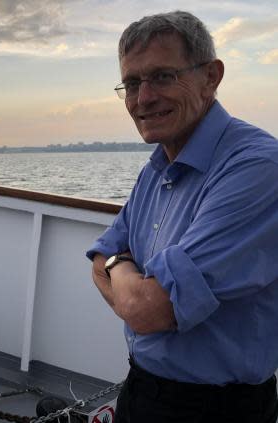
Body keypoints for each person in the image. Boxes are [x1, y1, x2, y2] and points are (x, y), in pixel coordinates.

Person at [86, 10, 278, 423]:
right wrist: (126, 274)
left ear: (211, 77)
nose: (143, 98)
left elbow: (149, 309)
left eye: (162, 77)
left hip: (217, 409)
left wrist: (122, 268)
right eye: (132, 83)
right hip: (142, 388)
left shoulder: (258, 167)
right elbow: (99, 261)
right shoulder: (157, 168)